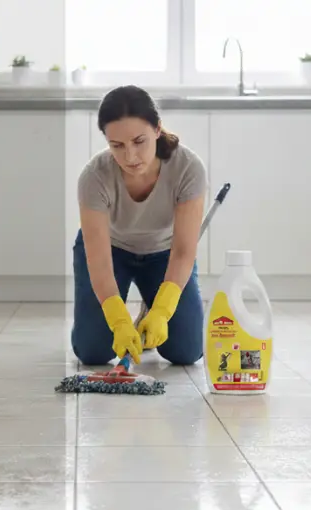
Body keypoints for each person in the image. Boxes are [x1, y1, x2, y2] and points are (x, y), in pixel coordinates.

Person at [71, 85, 208, 367]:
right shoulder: (94, 177)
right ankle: (120, 318)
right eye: (117, 146)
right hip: (112, 250)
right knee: (93, 352)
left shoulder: (188, 168)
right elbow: (97, 259)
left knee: (187, 351)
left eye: (139, 141)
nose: (130, 157)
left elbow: (183, 251)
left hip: (164, 253)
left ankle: (149, 309)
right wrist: (118, 321)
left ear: (157, 129)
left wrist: (162, 310)